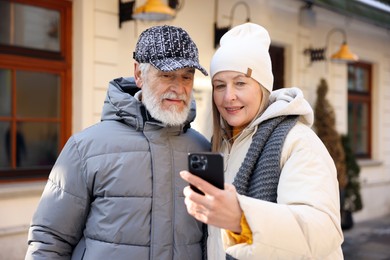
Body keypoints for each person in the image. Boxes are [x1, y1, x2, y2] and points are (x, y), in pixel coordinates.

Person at [25, 25, 210, 260]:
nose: (179, 87)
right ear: (139, 74)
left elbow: (211, 239)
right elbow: (49, 241)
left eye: (187, 76)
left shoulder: (203, 150)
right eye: (166, 75)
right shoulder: (85, 148)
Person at [180, 23, 344, 259]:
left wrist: (242, 218)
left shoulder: (297, 142)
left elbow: (323, 232)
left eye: (240, 83)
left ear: (262, 88)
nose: (229, 96)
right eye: (219, 85)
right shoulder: (219, 145)